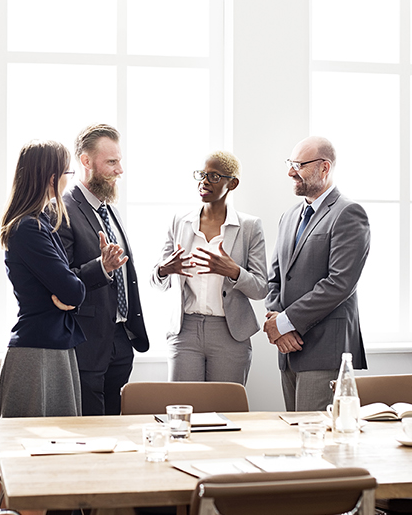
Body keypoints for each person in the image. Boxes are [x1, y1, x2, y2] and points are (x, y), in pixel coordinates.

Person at [264, 136, 371, 411]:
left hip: (324, 350)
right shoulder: (289, 216)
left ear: (324, 168)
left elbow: (339, 283)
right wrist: (279, 328)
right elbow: (275, 278)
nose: (290, 172)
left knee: (315, 441)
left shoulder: (348, 213)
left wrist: (285, 322)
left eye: (298, 164)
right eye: (290, 164)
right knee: (293, 434)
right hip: (288, 350)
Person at [152, 152, 269, 384]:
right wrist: (164, 270)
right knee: (182, 410)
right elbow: (156, 279)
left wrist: (234, 271)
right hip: (185, 330)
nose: (204, 181)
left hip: (230, 332)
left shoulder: (249, 227)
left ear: (232, 183)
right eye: (202, 175)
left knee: (225, 410)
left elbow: (261, 289)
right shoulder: (179, 221)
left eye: (214, 176)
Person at [58, 124, 150, 416]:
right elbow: (62, 280)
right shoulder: (63, 210)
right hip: (87, 341)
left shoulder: (110, 210)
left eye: (119, 161)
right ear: (86, 162)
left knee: (116, 428)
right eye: (111, 162)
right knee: (91, 431)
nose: (119, 170)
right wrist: (102, 267)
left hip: (122, 338)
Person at [0, 141, 85, 418]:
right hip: (39, 352)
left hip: (52, 345)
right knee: (32, 447)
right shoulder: (28, 228)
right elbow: (73, 290)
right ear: (51, 178)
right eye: (67, 174)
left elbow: (69, 289)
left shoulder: (41, 222)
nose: (68, 182)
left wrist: (70, 291)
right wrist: (70, 292)